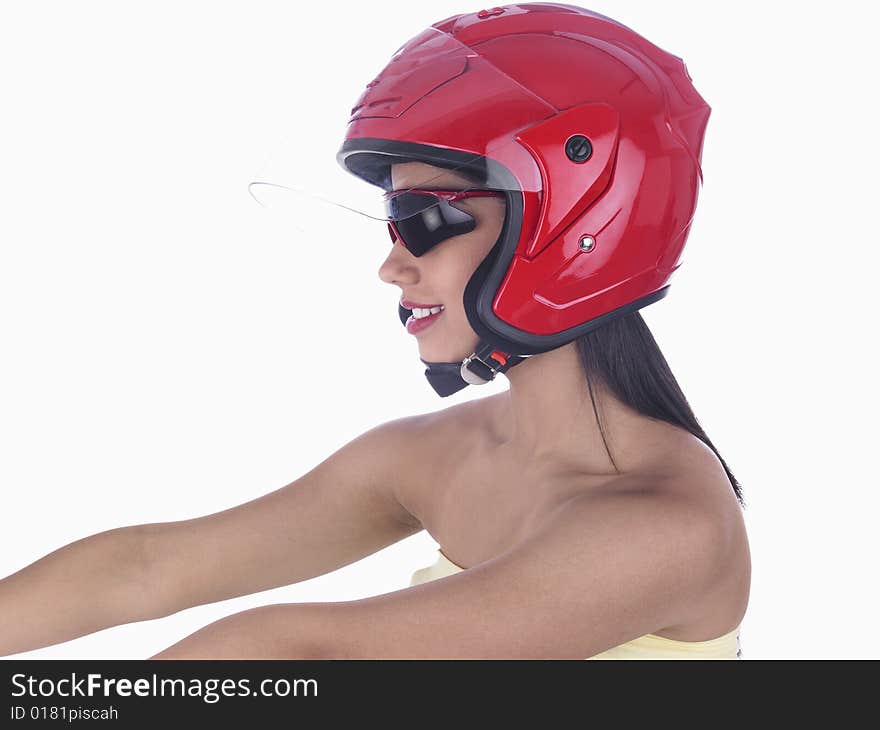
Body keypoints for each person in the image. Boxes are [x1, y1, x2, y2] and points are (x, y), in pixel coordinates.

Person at [0, 3, 750, 660]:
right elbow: (144, 569)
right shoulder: (441, 454)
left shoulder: (666, 527)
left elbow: (302, 653)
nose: (393, 266)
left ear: (578, 222)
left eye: (430, 221)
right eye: (395, 223)